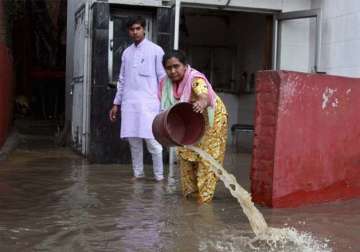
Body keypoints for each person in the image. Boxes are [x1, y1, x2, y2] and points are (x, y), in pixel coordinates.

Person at [159, 50, 228, 203]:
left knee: (207, 159)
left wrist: (202, 102)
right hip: (187, 120)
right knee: (184, 154)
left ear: (185, 66)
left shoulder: (195, 79)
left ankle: (204, 200)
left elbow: (204, 94)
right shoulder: (165, 84)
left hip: (211, 118)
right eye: (168, 68)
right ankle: (189, 197)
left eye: (176, 66)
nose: (173, 71)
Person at [109, 16, 166, 182]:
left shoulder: (156, 50)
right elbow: (122, 79)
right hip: (129, 103)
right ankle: (138, 174)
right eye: (132, 29)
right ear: (129, 32)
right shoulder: (126, 53)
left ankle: (159, 176)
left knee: (153, 141)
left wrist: (164, 105)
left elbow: (163, 79)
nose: (135, 32)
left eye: (138, 28)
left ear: (144, 29)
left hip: (149, 104)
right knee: (133, 141)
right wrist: (116, 103)